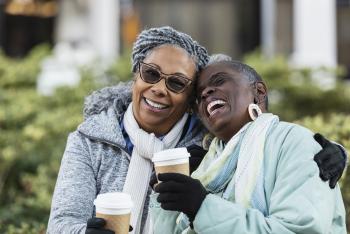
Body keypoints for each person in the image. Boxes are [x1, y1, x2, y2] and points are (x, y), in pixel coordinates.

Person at [47, 26, 345, 234]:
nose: (160, 89)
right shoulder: (91, 140)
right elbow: (61, 224)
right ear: (136, 77)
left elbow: (260, 135)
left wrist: (330, 152)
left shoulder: (203, 143)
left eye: (176, 83)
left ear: (189, 101)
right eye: (151, 74)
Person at [151, 59, 347, 233]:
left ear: (259, 92)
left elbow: (298, 230)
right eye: (199, 95)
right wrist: (168, 197)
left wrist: (202, 207)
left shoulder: (296, 142)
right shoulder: (207, 166)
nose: (206, 93)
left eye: (219, 81)